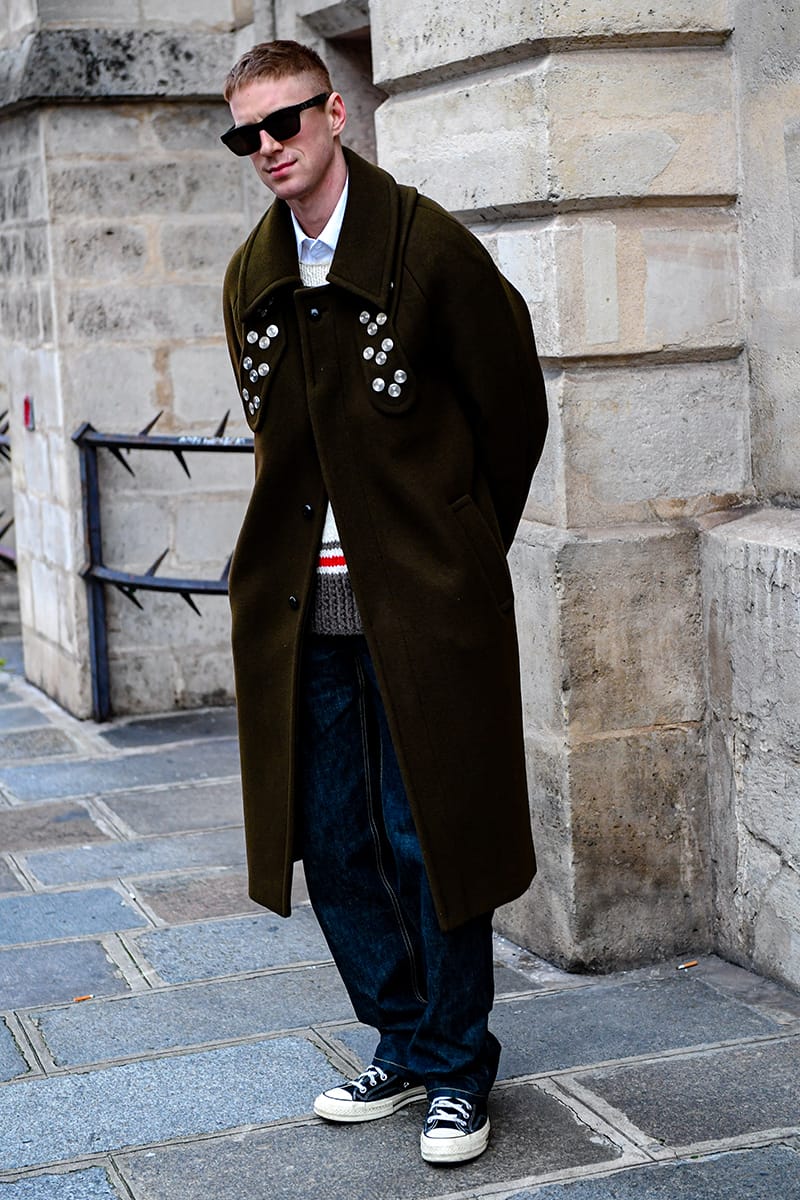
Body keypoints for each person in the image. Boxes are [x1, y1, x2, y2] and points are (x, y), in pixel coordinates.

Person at [220, 40, 548, 1165]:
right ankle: (402, 1044)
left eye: (285, 123)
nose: (268, 150)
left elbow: (512, 413)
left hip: (419, 607)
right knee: (333, 837)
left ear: (335, 114)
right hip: (300, 616)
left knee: (430, 833)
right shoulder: (250, 275)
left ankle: (459, 1068)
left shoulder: (430, 251)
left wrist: (454, 551)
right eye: (246, 135)